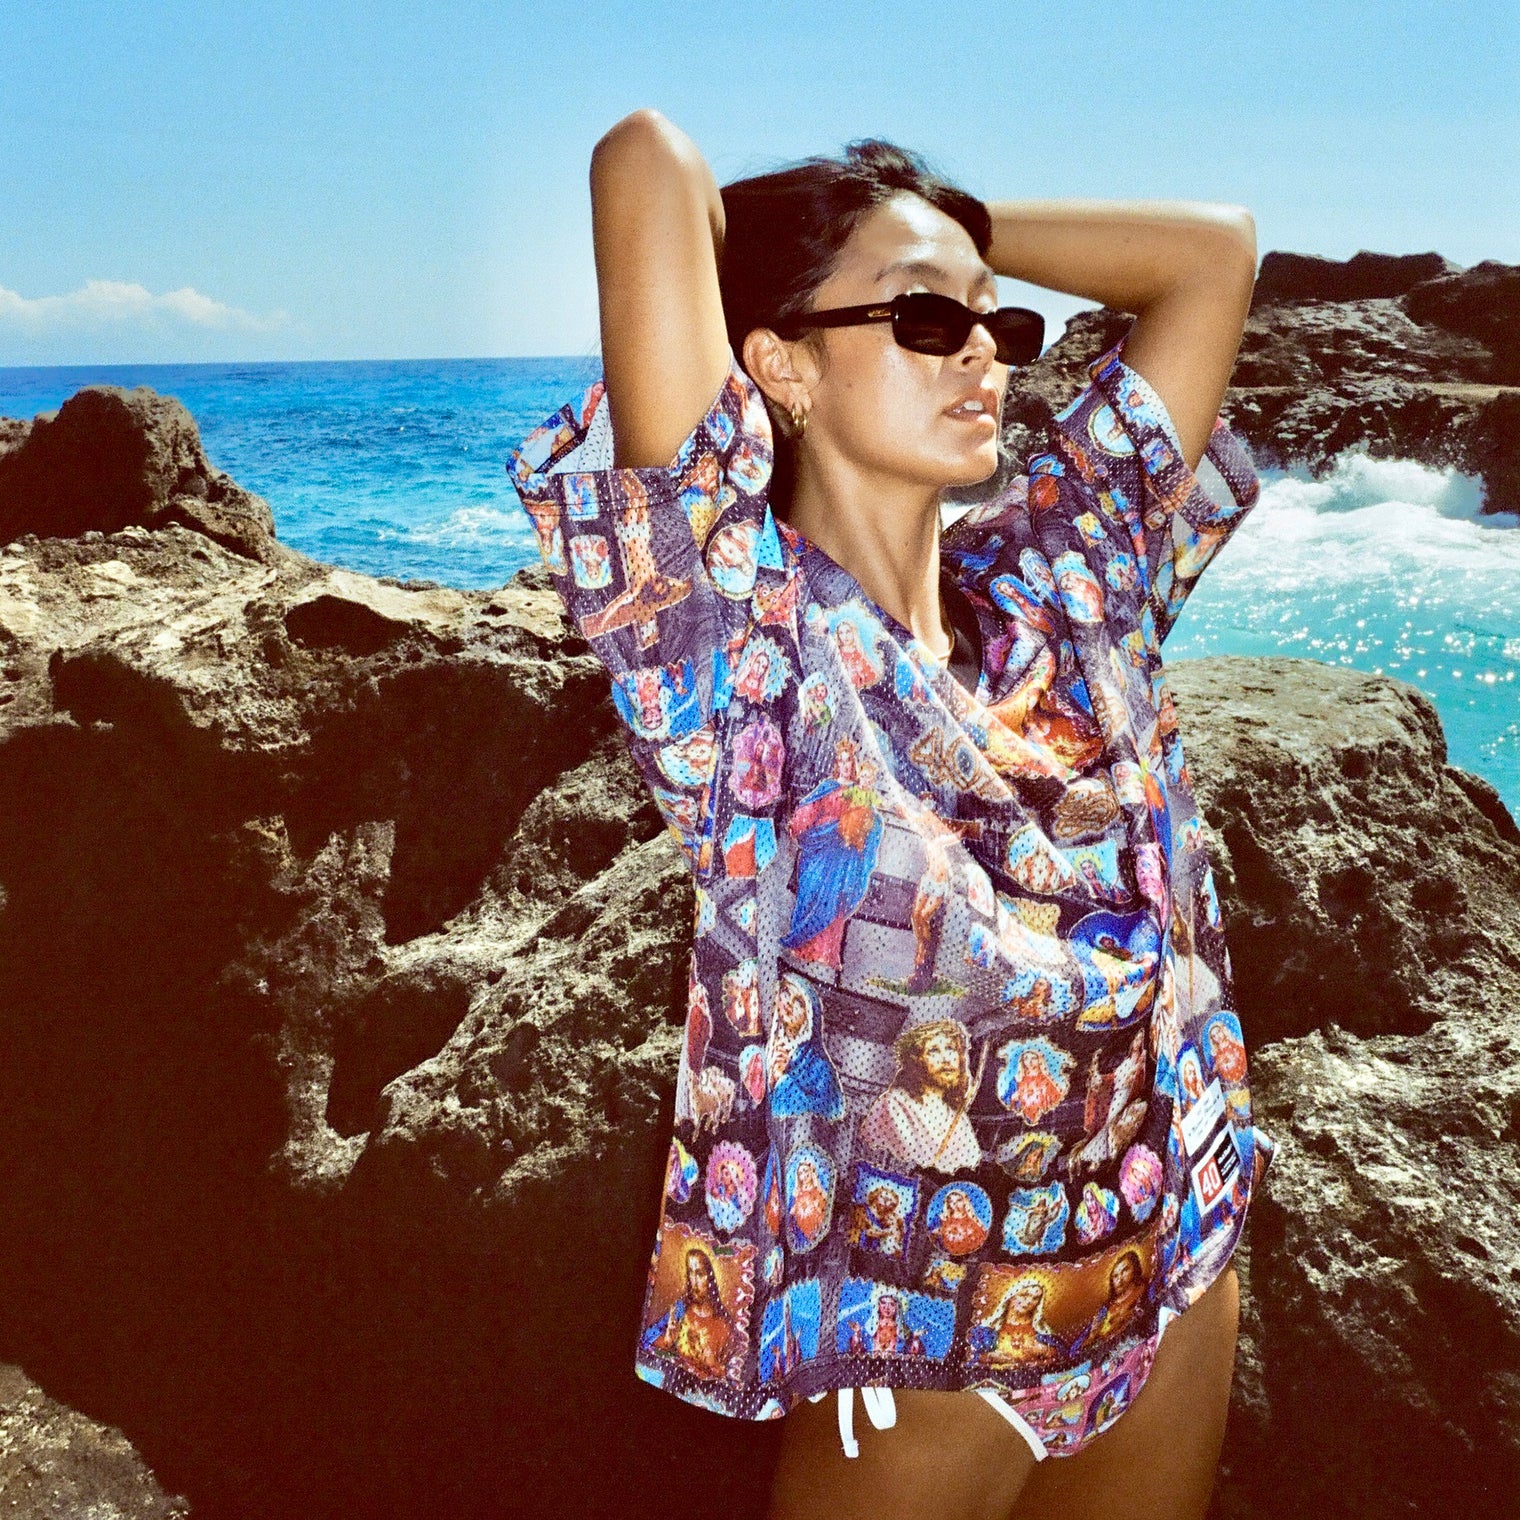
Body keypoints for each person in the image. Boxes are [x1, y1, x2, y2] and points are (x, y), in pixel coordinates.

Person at [508, 106, 1276, 1520]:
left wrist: (952, 235)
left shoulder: (1063, 575)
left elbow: (1210, 258)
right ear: (782, 364)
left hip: (1175, 1261)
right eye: (927, 320)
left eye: (999, 325)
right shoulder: (743, 649)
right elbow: (644, 160)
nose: (985, 347)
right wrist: (833, 213)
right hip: (922, 1349)